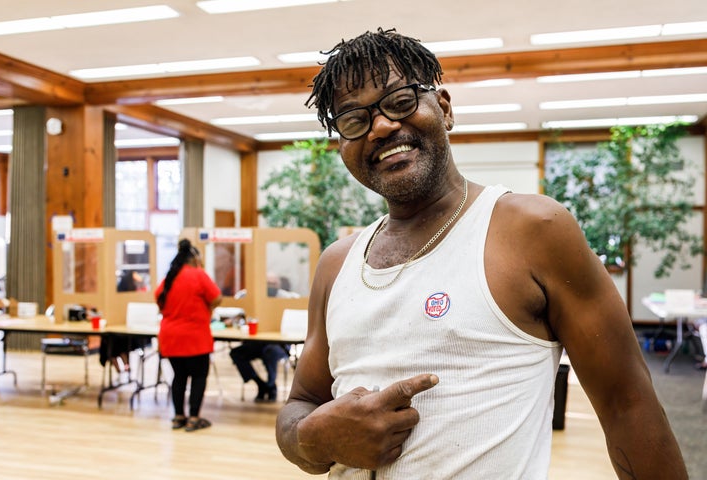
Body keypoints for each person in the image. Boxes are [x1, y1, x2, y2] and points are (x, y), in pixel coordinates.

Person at [275, 28, 688, 479]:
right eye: (354, 119)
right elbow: (300, 406)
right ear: (342, 144)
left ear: (444, 108)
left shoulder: (531, 231)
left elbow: (627, 404)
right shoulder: (337, 264)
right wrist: (313, 437)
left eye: (400, 101)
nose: (380, 127)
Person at [156, 239, 222, 432]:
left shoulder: (170, 277)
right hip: (195, 337)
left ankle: (178, 417)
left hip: (170, 337)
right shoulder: (198, 275)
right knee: (199, 377)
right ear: (194, 259)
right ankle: (193, 418)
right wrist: (207, 308)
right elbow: (217, 297)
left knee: (179, 377)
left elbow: (158, 299)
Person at [230, 272, 298, 402]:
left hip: (279, 343)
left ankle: (271, 385)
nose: (271, 286)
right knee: (236, 353)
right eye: (268, 284)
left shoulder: (286, 298)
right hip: (256, 341)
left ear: (278, 284)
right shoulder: (253, 297)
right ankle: (261, 384)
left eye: (273, 284)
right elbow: (239, 310)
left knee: (270, 352)